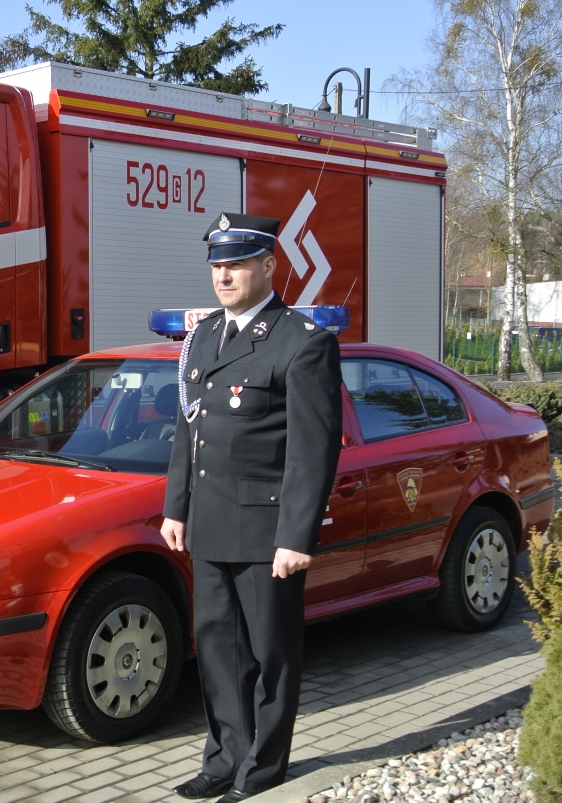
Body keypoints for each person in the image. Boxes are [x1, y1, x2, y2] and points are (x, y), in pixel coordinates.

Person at [161, 213, 343, 802]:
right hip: (211, 524)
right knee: (218, 653)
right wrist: (176, 507)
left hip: (267, 534)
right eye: (217, 265)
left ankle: (263, 768)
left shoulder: (302, 341)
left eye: (236, 264)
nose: (223, 276)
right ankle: (224, 759)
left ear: (268, 265)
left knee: (271, 655)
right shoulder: (204, 336)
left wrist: (297, 536)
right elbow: (189, 431)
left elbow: (313, 451)